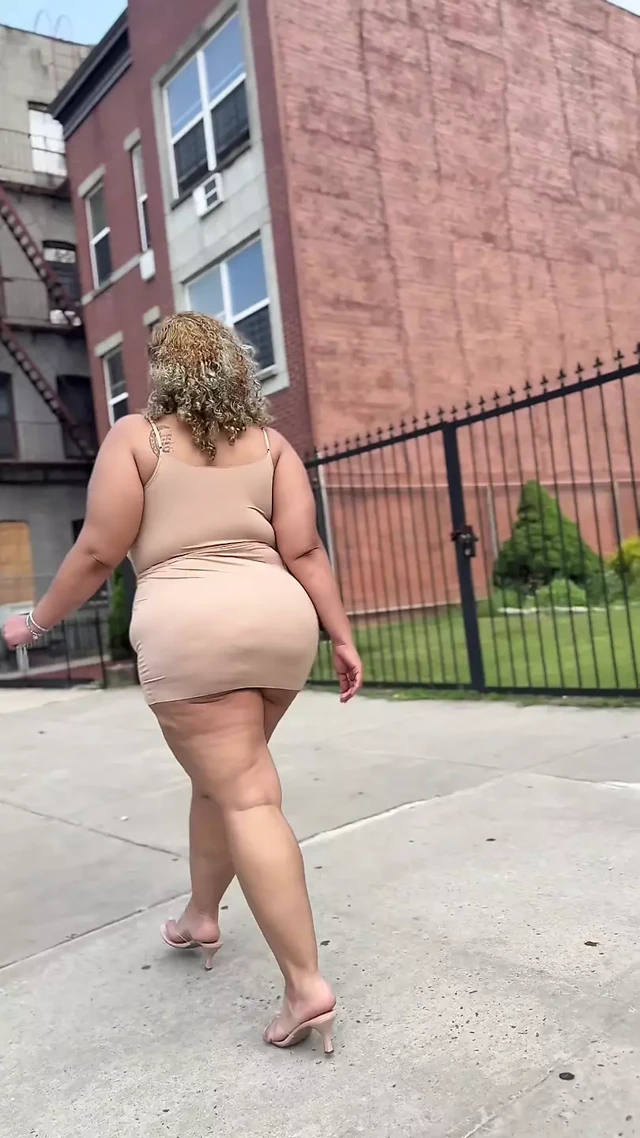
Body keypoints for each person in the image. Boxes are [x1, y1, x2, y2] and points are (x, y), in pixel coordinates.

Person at [2, 312, 363, 1055]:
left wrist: (33, 624)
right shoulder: (273, 446)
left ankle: (305, 987)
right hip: (279, 625)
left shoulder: (140, 438)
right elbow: (304, 549)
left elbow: (98, 550)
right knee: (223, 782)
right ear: (237, 368)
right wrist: (341, 635)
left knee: (246, 794)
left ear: (164, 373)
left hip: (191, 629)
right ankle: (202, 914)